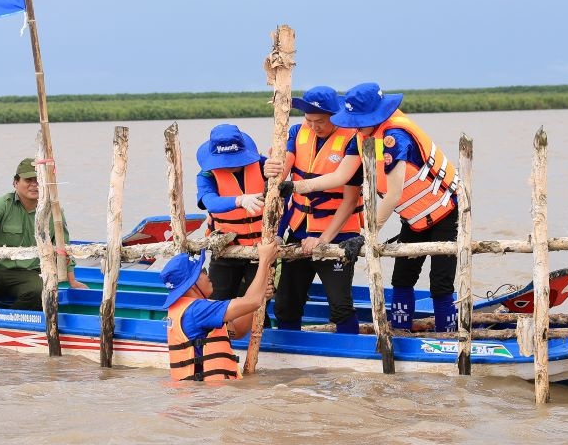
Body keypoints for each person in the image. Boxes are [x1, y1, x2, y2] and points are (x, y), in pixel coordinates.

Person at [290, 83, 461, 332]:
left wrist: (367, 235)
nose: (354, 126)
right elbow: (340, 176)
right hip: (413, 218)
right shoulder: (360, 137)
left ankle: (448, 336)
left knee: (441, 283)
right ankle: (400, 333)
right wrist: (296, 188)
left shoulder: (395, 139)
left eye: (359, 120)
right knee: (401, 278)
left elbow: (393, 195)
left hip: (444, 212)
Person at [264, 86, 364, 334]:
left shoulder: (353, 140)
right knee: (286, 304)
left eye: (319, 121)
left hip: (337, 234)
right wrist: (271, 168)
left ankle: (349, 355)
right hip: (298, 231)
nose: (313, 126)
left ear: (335, 115)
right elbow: (281, 173)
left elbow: (350, 200)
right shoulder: (297, 132)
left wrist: (322, 240)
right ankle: (289, 350)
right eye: (309, 120)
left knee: (340, 306)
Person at [0, 158, 87, 308]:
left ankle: (14, 317)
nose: (34, 185)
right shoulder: (2, 204)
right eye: (28, 180)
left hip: (29, 273)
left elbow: (63, 247)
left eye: (38, 180)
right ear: (16, 183)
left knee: (41, 293)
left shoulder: (54, 211)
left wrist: (72, 281)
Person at [161, 240, 279, 383]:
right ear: (191, 285)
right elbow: (252, 301)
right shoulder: (198, 311)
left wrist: (260, 297)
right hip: (204, 396)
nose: (207, 273)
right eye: (202, 271)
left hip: (197, 394)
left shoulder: (186, 308)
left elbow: (237, 332)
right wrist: (265, 260)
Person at [195, 124, 268, 300]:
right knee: (218, 299)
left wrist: (279, 234)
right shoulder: (207, 174)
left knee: (257, 303)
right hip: (226, 248)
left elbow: (284, 197)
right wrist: (240, 200)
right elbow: (210, 202)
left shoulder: (263, 165)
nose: (228, 165)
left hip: (261, 249)